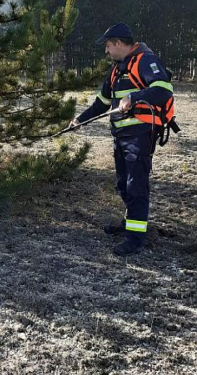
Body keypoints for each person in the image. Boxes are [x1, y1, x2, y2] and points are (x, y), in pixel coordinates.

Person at [71, 23, 174, 257]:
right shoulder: (117, 69)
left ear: (118, 43)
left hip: (140, 136)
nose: (106, 51)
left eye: (108, 46)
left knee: (136, 186)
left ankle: (135, 239)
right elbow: (102, 103)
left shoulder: (146, 61)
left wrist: (133, 96)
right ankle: (130, 224)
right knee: (122, 184)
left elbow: (163, 90)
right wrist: (79, 119)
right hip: (121, 137)